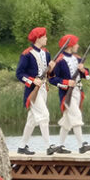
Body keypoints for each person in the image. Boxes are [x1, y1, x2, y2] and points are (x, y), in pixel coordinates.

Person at [14, 26, 56, 155]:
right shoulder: (27, 54)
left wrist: (52, 68)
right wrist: (32, 80)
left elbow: (50, 75)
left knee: (32, 120)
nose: (46, 38)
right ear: (38, 38)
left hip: (43, 89)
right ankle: (49, 146)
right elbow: (19, 74)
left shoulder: (46, 53)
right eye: (44, 36)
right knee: (44, 116)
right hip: (32, 90)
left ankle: (22, 146)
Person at [48, 34, 90, 154]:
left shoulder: (77, 58)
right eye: (76, 43)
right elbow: (52, 79)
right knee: (76, 116)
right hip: (66, 93)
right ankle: (81, 144)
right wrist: (66, 83)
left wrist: (83, 70)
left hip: (78, 91)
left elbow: (87, 75)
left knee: (67, 121)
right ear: (70, 45)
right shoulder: (59, 61)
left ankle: (60, 146)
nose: (78, 46)